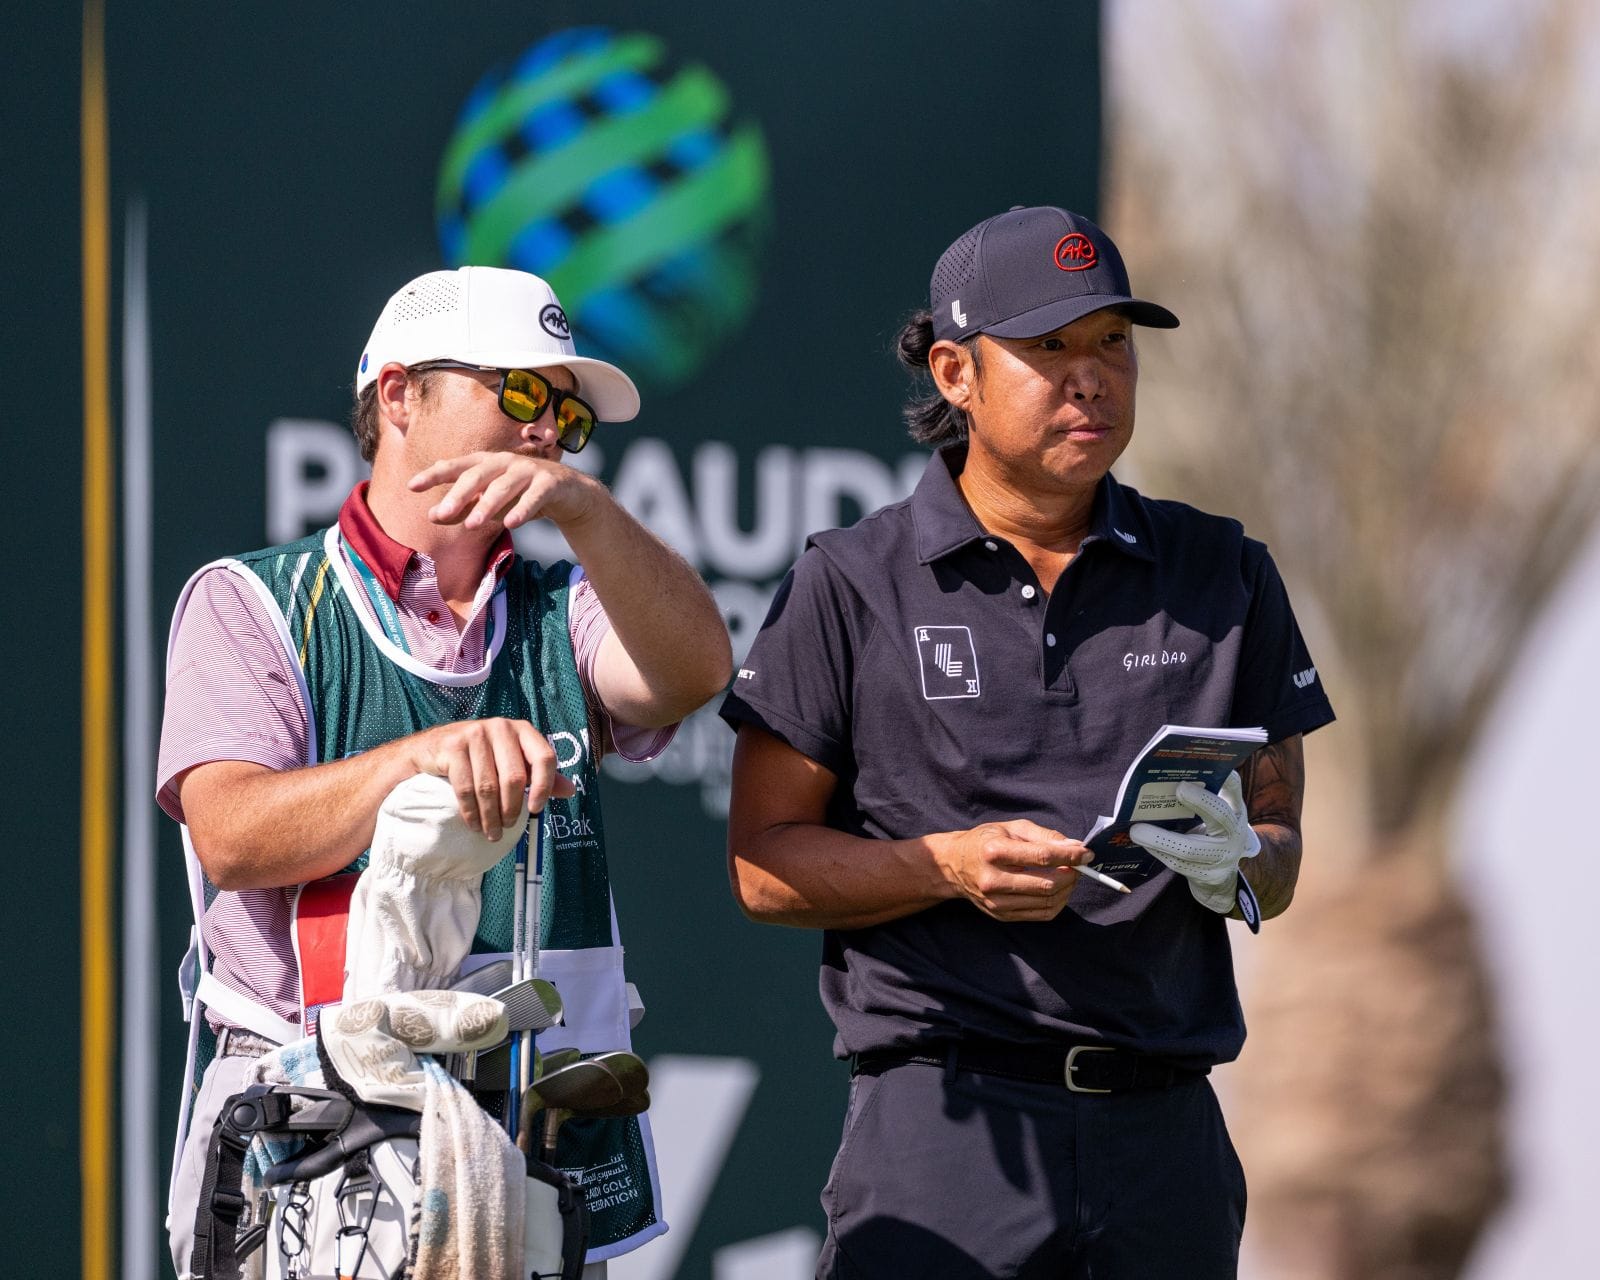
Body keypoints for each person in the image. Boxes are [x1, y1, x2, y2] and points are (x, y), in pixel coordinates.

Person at [720, 206, 1337, 1278]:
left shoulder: (1225, 574)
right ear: (954, 372)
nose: (1091, 377)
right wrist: (946, 866)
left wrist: (1243, 859)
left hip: (1167, 1140)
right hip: (946, 1131)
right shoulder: (852, 581)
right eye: (1049, 346)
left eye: (1113, 343)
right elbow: (762, 865)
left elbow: (1279, 848)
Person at [157, 265, 733, 1277]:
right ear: (399, 395)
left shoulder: (566, 605)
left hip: (528, 1141)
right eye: (520, 389)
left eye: (567, 414)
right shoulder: (251, 600)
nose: (546, 427)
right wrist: (419, 760)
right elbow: (233, 835)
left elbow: (694, 671)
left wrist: (590, 513)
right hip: (311, 1143)